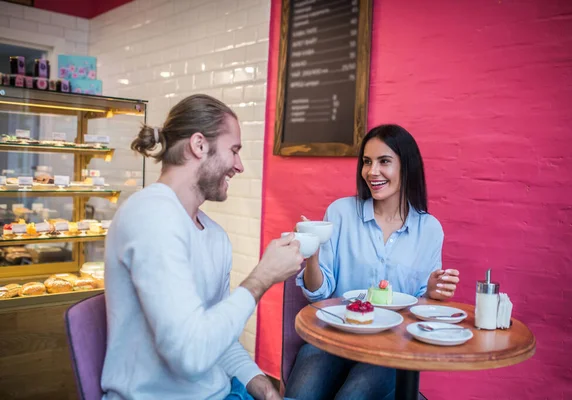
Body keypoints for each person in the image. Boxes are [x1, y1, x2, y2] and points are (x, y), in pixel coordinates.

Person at [101, 94, 303, 400]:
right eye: (233, 150)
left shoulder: (215, 236)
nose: (239, 166)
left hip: (221, 391)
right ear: (199, 145)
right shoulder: (151, 215)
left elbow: (216, 338)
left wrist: (258, 382)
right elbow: (190, 355)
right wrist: (262, 279)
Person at [284, 124, 461, 400]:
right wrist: (313, 256)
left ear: (407, 167)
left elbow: (420, 307)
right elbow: (318, 292)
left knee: (353, 396)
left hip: (391, 346)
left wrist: (432, 292)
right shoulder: (340, 213)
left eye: (384, 161)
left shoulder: (429, 229)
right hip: (334, 336)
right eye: (367, 162)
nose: (372, 171)